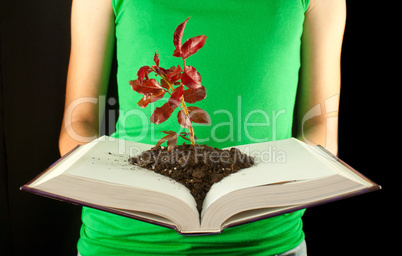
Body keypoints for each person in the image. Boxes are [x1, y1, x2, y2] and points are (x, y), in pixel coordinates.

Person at [59, 0, 346, 255]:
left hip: (264, 241)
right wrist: (94, 173)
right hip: (123, 239)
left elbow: (321, 128)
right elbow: (78, 121)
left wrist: (278, 185)